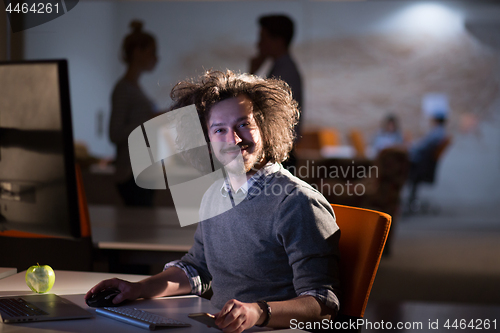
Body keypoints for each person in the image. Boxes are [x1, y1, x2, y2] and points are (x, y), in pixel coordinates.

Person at [87, 70, 340, 332]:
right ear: (207, 142)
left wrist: (257, 312)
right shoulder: (215, 194)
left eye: (244, 124)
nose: (234, 139)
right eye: (220, 130)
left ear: (265, 128)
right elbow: (197, 268)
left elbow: (322, 305)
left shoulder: (296, 202)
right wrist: (138, 288)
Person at [109, 20, 159, 206]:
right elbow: (115, 133)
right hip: (131, 172)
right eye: (152, 52)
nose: (155, 58)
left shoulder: (135, 88)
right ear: (138, 51)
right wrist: (149, 121)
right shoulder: (124, 89)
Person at [249, 14, 303, 172]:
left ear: (278, 41)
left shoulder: (283, 73)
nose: (258, 44)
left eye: (262, 38)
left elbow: (255, 107)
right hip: (282, 149)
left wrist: (251, 74)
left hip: (280, 151)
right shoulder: (283, 68)